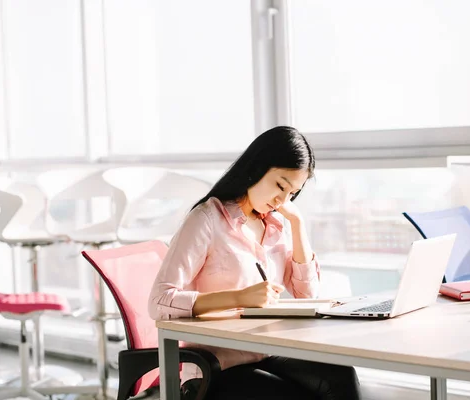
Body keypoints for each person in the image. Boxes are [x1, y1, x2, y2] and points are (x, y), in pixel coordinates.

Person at [149, 126, 361, 400]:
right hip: (217, 365)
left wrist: (297, 225)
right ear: (257, 168)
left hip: (266, 350)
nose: (282, 200)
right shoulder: (206, 220)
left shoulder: (275, 224)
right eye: (280, 186)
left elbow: (306, 296)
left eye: (293, 193)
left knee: (341, 375)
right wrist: (238, 297)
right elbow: (159, 301)